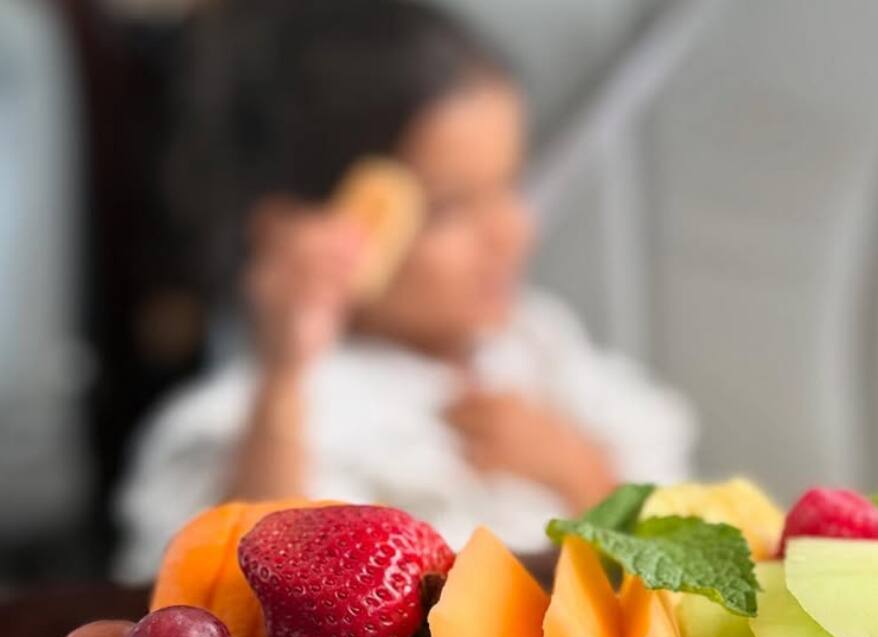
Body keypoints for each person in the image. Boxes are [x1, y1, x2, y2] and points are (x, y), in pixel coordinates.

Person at [114, 0, 693, 580]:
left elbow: (678, 538)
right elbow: (248, 600)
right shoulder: (268, 421)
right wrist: (283, 381)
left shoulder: (536, 342)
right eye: (448, 210)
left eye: (508, 184)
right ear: (298, 231)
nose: (507, 231)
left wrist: (579, 471)